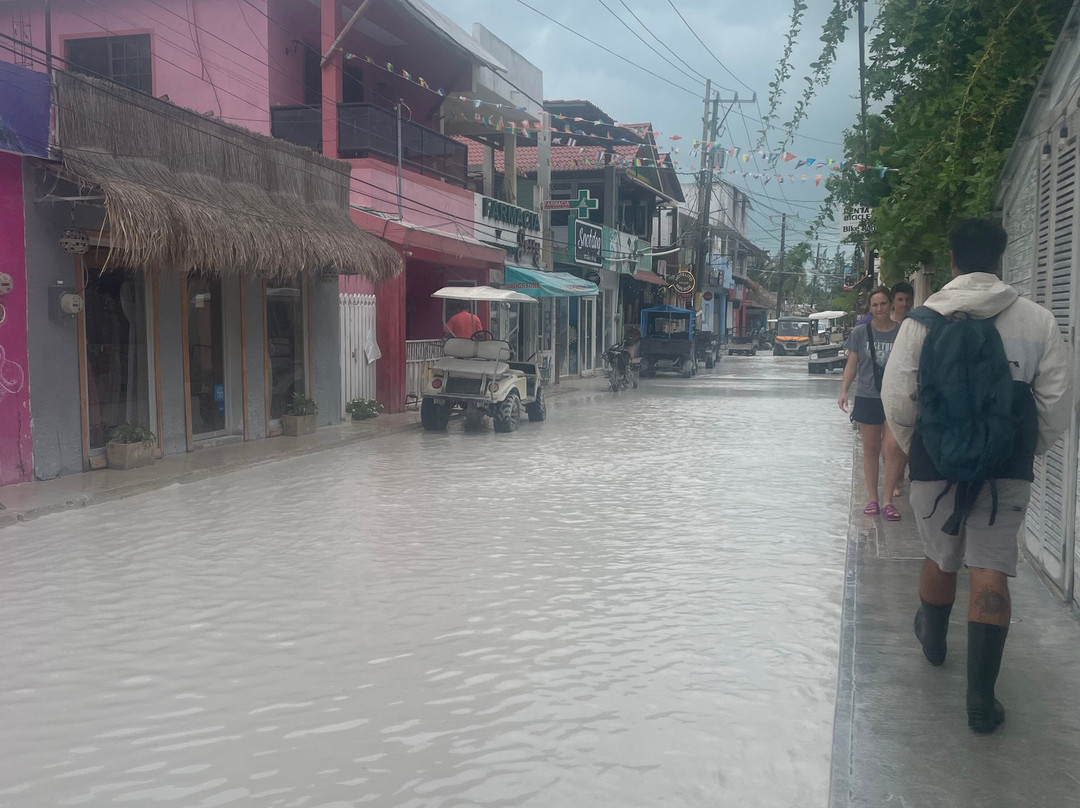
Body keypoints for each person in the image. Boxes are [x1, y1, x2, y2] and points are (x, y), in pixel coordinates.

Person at [881, 218, 1070, 734]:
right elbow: (1055, 402)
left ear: (952, 260)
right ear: (1002, 259)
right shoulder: (1037, 321)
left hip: (935, 462)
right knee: (991, 567)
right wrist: (1026, 451)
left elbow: (897, 400)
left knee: (941, 554)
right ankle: (981, 701)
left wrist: (924, 445)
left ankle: (935, 642)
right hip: (1005, 467)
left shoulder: (920, 322)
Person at [838, 285, 904, 521]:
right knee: (870, 450)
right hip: (867, 396)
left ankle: (888, 501)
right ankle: (872, 499)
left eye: (883, 304)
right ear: (870, 307)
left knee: (893, 447)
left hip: (895, 397)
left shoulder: (901, 332)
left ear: (891, 305)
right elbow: (852, 365)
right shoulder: (860, 333)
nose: (879, 309)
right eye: (874, 305)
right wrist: (844, 390)